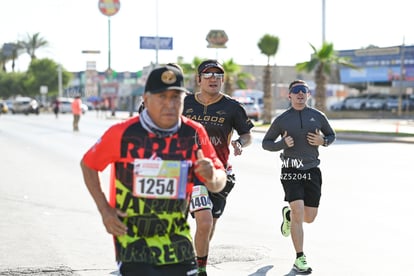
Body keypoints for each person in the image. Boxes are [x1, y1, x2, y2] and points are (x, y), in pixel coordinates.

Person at [80, 65, 227, 276]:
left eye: (176, 97)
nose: (170, 104)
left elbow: (219, 178)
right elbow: (88, 164)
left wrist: (212, 177)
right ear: (146, 100)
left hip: (178, 241)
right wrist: (105, 209)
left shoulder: (194, 132)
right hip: (134, 244)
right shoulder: (123, 133)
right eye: (162, 97)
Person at [182, 59, 254, 276]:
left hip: (219, 174)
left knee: (209, 224)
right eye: (208, 74)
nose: (213, 78)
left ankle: (198, 260)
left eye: (218, 75)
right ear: (198, 79)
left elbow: (247, 134)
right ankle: (199, 270)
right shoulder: (184, 103)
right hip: (189, 171)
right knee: (203, 221)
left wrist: (240, 143)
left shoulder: (232, 106)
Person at [261, 80, 336, 274]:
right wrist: (282, 144)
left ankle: (288, 215)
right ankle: (299, 258)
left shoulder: (318, 116)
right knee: (298, 211)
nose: (300, 94)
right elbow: (266, 143)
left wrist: (324, 141)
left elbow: (331, 135)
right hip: (290, 167)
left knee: (309, 218)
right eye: (296, 91)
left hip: (312, 170)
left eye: (304, 91)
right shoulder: (282, 119)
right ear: (290, 96)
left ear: (308, 95)